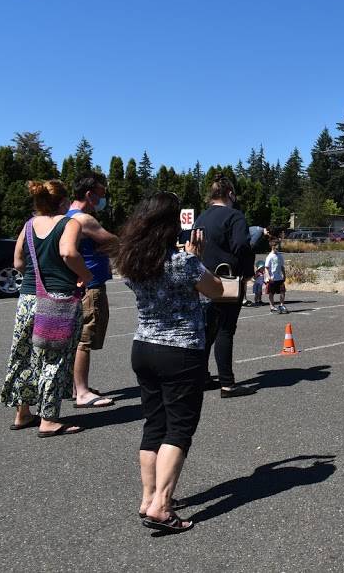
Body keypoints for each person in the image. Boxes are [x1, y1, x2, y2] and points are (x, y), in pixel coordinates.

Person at [115, 192, 224, 534]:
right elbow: (216, 290)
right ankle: (162, 506)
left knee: (154, 424)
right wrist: (197, 258)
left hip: (143, 345)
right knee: (179, 428)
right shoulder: (182, 262)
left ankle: (148, 497)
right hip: (180, 350)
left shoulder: (131, 260)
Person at [0, 180, 94, 437]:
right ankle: (49, 419)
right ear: (63, 202)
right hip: (58, 298)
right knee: (54, 358)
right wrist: (85, 275)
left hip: (28, 298)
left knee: (24, 354)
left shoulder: (29, 225)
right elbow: (68, 253)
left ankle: (23, 412)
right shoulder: (69, 223)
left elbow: (18, 262)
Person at [192, 176, 255, 398]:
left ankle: (201, 377)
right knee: (225, 330)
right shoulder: (234, 216)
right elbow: (241, 245)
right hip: (227, 282)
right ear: (230, 194)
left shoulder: (201, 217)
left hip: (202, 280)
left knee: (206, 332)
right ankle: (227, 384)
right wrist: (247, 272)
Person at [65, 172, 118, 409]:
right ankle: (82, 391)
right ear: (89, 194)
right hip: (90, 285)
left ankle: (75, 386)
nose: (103, 199)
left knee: (76, 338)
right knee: (84, 339)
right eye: (101, 194)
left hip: (73, 286)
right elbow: (113, 241)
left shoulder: (66, 216)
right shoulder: (84, 219)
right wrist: (108, 245)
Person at [264, 238, 287, 314]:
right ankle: (272, 306)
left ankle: (281, 305)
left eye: (279, 245)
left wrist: (284, 275)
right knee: (271, 293)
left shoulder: (280, 256)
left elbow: (282, 266)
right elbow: (266, 268)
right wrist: (268, 277)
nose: (278, 247)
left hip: (279, 277)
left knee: (282, 291)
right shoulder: (269, 256)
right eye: (277, 245)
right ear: (273, 246)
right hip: (272, 278)